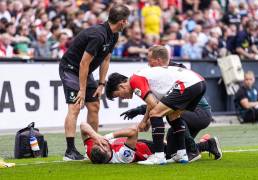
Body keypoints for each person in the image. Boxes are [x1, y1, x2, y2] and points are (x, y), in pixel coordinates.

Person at [105, 46, 206, 165]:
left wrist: (146, 121)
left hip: (188, 83)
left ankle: (159, 156)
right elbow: (154, 103)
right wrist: (144, 120)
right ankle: (182, 153)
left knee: (155, 114)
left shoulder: (134, 80)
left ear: (121, 86)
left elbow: (154, 106)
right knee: (173, 116)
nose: (121, 98)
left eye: (118, 95)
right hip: (199, 82)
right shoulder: (141, 76)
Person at [59, 4, 130, 161]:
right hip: (71, 69)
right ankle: (70, 152)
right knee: (75, 106)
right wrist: (82, 90)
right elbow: (84, 63)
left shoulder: (114, 35)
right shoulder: (98, 35)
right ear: (123, 22)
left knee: (94, 106)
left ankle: (91, 146)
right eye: (127, 21)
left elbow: (106, 58)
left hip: (85, 71)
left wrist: (101, 84)